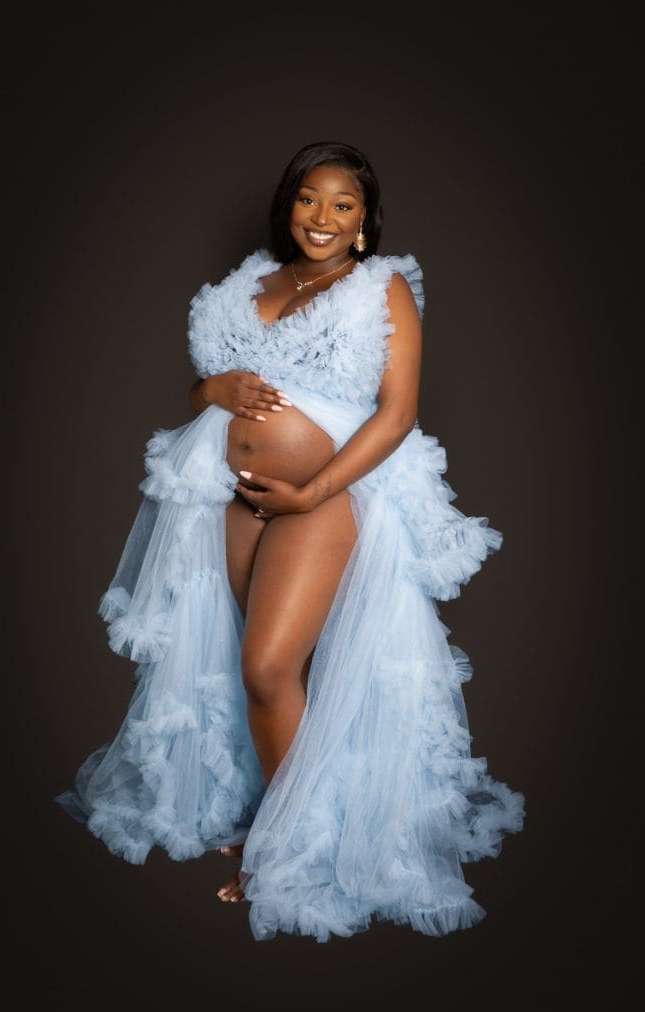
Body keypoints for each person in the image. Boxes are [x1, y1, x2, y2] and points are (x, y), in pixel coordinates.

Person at [55, 140, 525, 943]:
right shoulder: (251, 284)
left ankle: (287, 862)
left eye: (343, 205)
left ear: (365, 221)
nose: (323, 217)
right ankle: (286, 821)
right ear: (289, 205)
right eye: (310, 199)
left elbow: (397, 414)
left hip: (320, 496)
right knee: (282, 676)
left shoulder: (379, 289)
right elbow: (206, 390)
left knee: (267, 668)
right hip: (232, 500)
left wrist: (311, 489)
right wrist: (213, 389)